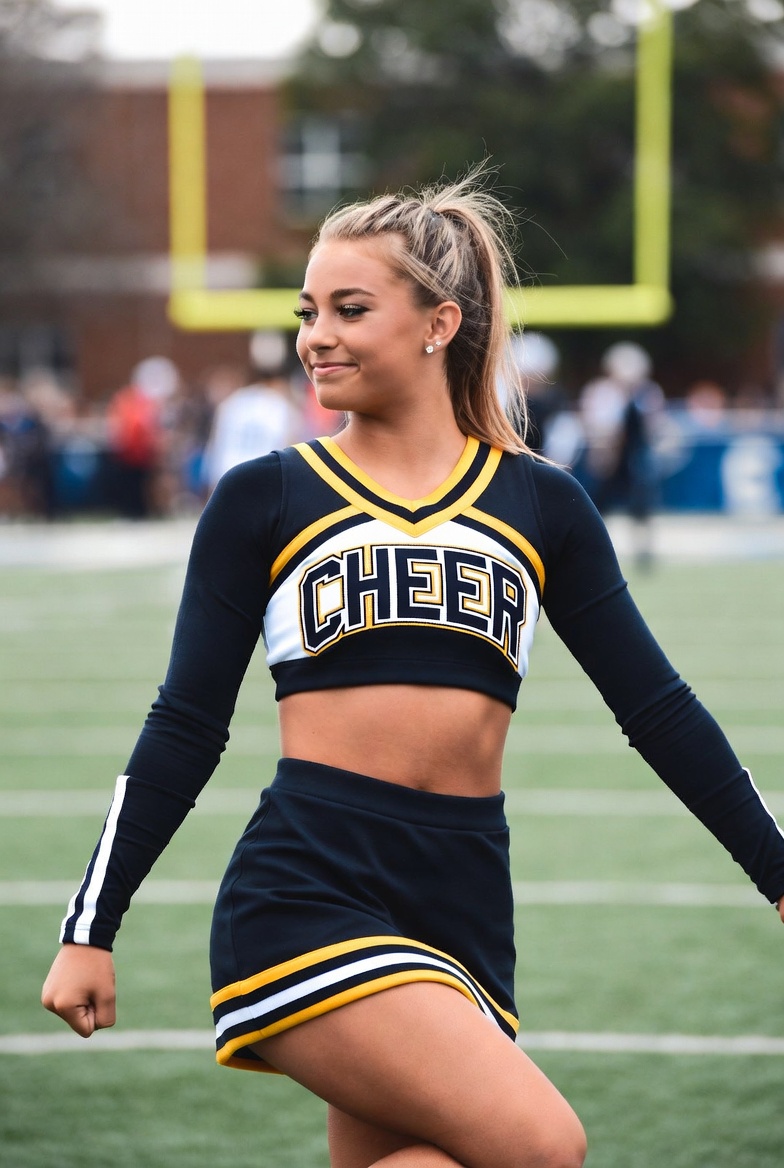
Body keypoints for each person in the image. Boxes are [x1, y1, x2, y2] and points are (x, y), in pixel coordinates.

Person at [42, 170, 784, 1168]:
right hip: (310, 880)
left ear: (440, 323)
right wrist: (92, 924)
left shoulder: (541, 504)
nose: (316, 336)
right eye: (308, 312)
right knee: (539, 1147)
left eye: (351, 309)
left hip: (465, 892)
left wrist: (774, 871)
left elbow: (655, 707)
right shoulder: (265, 497)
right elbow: (185, 723)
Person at [201, 329, 302, 492]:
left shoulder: (232, 403)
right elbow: (290, 448)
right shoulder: (282, 407)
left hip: (229, 475)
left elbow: (215, 450)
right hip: (266, 479)